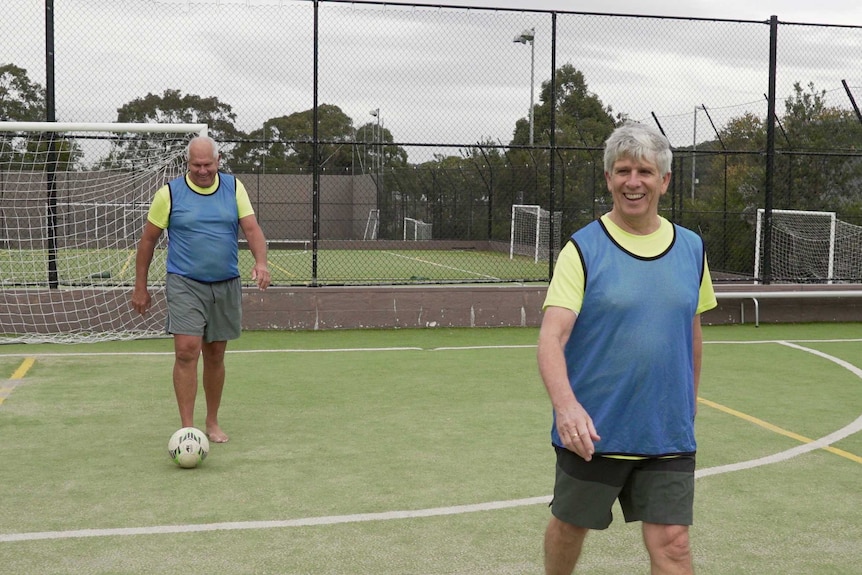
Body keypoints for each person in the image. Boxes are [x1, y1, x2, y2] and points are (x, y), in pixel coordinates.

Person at [537, 122, 717, 574]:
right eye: (622, 171)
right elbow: (551, 337)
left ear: (664, 180)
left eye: (644, 171)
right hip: (595, 432)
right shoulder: (582, 249)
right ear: (608, 179)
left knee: (673, 544)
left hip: (666, 431)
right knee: (568, 529)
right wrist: (566, 408)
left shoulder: (692, 248)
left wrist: (688, 402)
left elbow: (690, 333)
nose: (632, 182)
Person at [131, 135, 270, 444]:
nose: (203, 170)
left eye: (208, 164)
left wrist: (261, 263)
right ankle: (187, 429)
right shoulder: (169, 194)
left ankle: (212, 421)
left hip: (225, 283)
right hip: (184, 283)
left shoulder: (234, 188)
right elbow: (148, 241)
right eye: (197, 165)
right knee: (186, 351)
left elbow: (251, 229)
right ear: (187, 164)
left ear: (218, 161)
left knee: (216, 354)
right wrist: (140, 286)